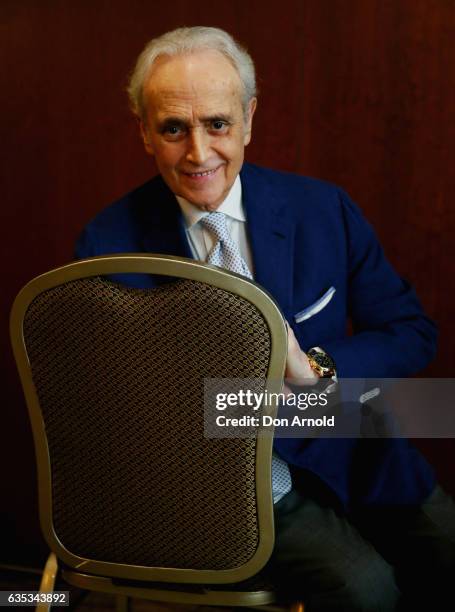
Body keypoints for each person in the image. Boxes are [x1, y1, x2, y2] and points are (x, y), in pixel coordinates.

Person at [75, 26, 455, 611]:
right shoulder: (106, 246)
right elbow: (124, 416)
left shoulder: (323, 208)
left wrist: (320, 368)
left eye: (218, 124)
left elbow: (411, 333)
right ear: (145, 133)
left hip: (351, 445)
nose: (199, 153)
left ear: (248, 119)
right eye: (174, 128)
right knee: (366, 588)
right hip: (220, 489)